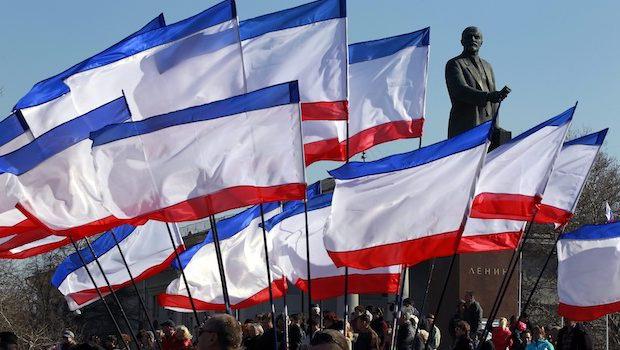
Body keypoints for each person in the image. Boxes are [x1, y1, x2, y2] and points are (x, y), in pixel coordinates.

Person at [445, 26, 510, 138]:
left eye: (477, 37)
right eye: (469, 37)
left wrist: (495, 125)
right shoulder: (455, 64)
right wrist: (488, 96)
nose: (473, 39)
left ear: (481, 42)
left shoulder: (487, 66)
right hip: (466, 125)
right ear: (462, 41)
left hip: (487, 126)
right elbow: (460, 90)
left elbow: (494, 99)